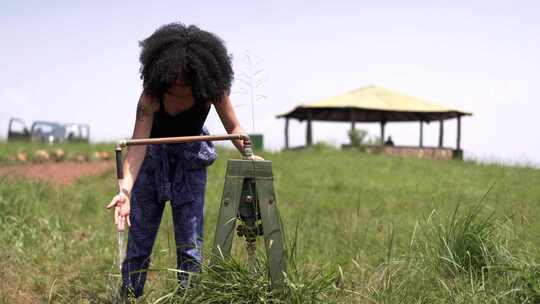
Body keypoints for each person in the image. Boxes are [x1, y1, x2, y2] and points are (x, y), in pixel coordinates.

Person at [106, 22, 262, 298]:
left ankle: (188, 298)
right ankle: (128, 296)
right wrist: (125, 190)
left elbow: (234, 128)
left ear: (200, 71)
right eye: (173, 71)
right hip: (153, 164)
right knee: (139, 242)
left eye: (186, 73)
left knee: (190, 244)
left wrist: (248, 152)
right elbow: (137, 147)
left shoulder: (211, 90)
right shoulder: (151, 97)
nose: (179, 78)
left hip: (189, 164)